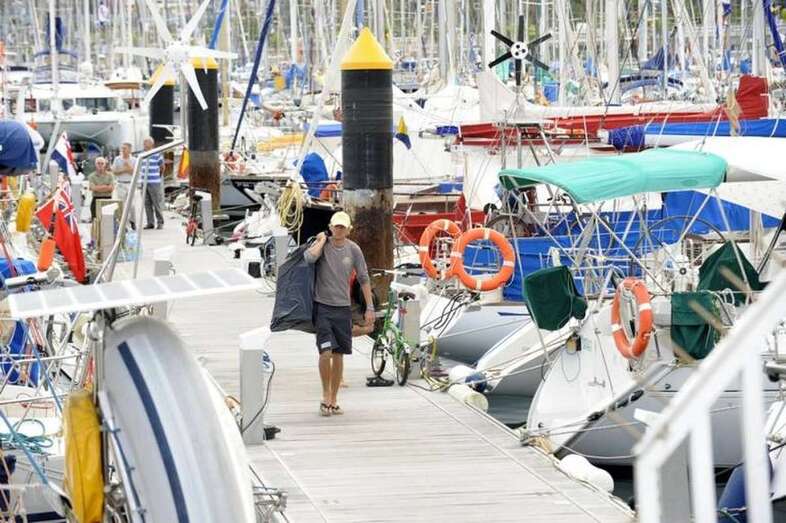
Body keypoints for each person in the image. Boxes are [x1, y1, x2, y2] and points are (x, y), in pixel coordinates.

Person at [304, 211, 374, 416]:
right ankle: (325, 395)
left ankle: (334, 399)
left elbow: (363, 278)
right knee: (325, 353)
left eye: (343, 227)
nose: (339, 230)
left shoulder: (354, 250)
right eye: (336, 226)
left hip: (342, 308)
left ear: (349, 229)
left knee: (338, 354)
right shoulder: (323, 245)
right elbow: (309, 258)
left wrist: (369, 307)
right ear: (331, 227)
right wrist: (321, 239)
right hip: (323, 307)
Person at [139, 137, 165, 229]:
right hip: (143, 182)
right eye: (144, 142)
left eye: (146, 142)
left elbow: (162, 167)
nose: (144, 144)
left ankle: (160, 222)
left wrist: (158, 176)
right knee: (146, 203)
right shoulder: (142, 154)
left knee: (156, 202)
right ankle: (150, 222)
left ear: (151, 144)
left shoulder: (157, 153)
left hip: (154, 182)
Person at [111, 142, 137, 229]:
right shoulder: (117, 159)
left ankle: (132, 220)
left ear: (130, 150)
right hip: (121, 183)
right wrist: (124, 169)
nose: (123, 150)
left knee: (132, 205)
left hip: (130, 183)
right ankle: (123, 224)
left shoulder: (134, 160)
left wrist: (128, 167)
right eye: (122, 148)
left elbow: (134, 172)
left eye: (125, 148)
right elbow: (114, 171)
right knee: (121, 204)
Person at [87, 157, 115, 221]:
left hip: (108, 200)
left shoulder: (110, 175)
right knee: (95, 222)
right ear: (95, 164)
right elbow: (92, 188)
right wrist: (106, 186)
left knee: (107, 222)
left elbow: (111, 188)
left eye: (102, 163)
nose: (100, 165)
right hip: (95, 200)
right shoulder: (91, 176)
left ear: (105, 164)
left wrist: (98, 187)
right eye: (98, 163)